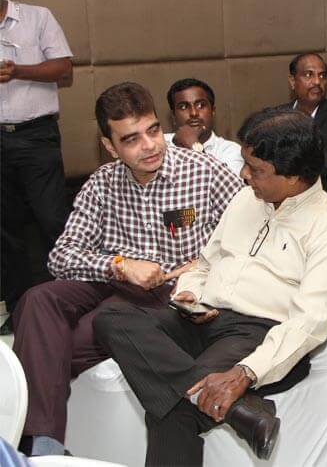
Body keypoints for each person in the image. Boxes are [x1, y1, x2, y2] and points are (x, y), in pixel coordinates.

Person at [94, 107, 327, 464]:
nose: (244, 174)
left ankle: (214, 396)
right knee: (112, 317)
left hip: (261, 337)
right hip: (204, 318)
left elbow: (308, 326)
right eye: (245, 163)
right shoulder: (245, 199)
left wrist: (245, 373)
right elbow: (205, 263)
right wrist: (191, 294)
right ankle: (240, 411)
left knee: (173, 412)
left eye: (256, 170)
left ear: (294, 176)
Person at [11, 82, 242, 457]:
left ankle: (38, 447)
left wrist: (203, 263)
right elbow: (61, 256)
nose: (149, 146)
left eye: (153, 130)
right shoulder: (102, 183)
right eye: (131, 139)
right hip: (112, 280)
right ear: (110, 146)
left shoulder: (205, 172)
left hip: (168, 293)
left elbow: (251, 234)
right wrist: (119, 265)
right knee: (37, 299)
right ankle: (45, 448)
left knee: (56, 344)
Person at [0, 0, 72, 334]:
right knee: (5, 228)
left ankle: (69, 302)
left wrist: (18, 71)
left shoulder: (37, 17)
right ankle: (19, 310)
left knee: (53, 221)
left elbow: (63, 67)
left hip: (36, 135)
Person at [164, 78, 244, 174]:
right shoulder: (161, 145)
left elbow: (225, 182)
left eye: (201, 105)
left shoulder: (230, 151)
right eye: (183, 107)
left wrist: (195, 146)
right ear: (173, 116)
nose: (193, 113)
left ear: (213, 111)